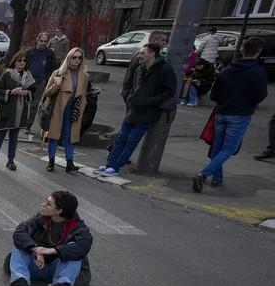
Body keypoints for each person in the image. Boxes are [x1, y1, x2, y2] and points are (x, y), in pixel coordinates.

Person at [194, 36, 269, 192]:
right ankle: (203, 174)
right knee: (228, 149)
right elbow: (260, 95)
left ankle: (217, 178)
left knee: (217, 147)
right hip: (240, 114)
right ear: (259, 52)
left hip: (221, 112)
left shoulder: (228, 69)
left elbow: (214, 94)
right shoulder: (258, 72)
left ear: (242, 49)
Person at [94, 43, 175, 177]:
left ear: (152, 54)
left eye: (143, 53)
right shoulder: (140, 68)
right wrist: (130, 98)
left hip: (148, 111)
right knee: (121, 138)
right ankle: (110, 165)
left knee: (132, 139)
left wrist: (151, 101)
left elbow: (169, 91)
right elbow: (132, 85)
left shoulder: (165, 69)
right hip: (134, 109)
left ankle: (115, 167)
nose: (140, 55)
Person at [6, 191, 93, 286]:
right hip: (38, 264)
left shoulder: (78, 226)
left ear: (59, 211)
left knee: (74, 253)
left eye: (48, 204)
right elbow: (19, 232)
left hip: (61, 270)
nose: (42, 205)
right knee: (20, 246)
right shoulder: (40, 219)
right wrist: (35, 249)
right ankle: (20, 285)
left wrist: (52, 251)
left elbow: (84, 245)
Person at [41, 48, 90, 174]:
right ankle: (51, 161)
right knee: (54, 135)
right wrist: (56, 85)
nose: (77, 60)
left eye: (79, 58)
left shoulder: (84, 76)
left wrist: (82, 107)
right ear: (69, 58)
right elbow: (46, 93)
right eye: (74, 57)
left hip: (74, 108)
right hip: (59, 107)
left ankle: (70, 162)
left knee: (70, 136)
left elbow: (83, 95)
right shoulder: (58, 73)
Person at [0, 52, 35, 171]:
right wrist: (10, 92)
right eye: (19, 60)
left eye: (24, 61)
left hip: (20, 111)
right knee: (0, 135)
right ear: (14, 61)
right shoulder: (7, 74)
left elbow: (33, 93)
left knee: (14, 137)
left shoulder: (29, 76)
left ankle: (11, 160)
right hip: (6, 110)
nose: (22, 63)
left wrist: (27, 93)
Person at [23, 32, 58, 134]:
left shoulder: (50, 54)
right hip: (28, 80)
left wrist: (47, 80)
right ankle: (20, 123)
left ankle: (28, 126)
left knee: (34, 105)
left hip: (41, 81)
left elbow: (53, 68)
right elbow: (23, 64)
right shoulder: (30, 52)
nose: (43, 43)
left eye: (45, 41)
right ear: (37, 40)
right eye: (41, 41)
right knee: (24, 102)